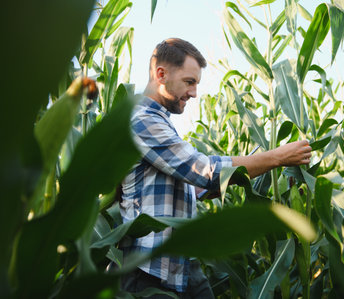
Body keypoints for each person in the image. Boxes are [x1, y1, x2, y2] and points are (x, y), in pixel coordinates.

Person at [119, 38, 312, 298]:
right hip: (149, 270)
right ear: (161, 74)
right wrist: (277, 157)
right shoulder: (142, 121)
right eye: (190, 82)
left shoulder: (160, 122)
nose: (194, 93)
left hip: (182, 264)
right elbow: (205, 171)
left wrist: (208, 190)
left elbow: (177, 184)